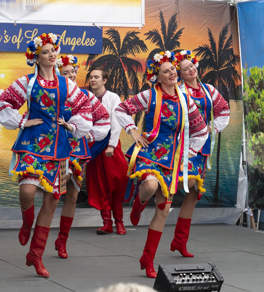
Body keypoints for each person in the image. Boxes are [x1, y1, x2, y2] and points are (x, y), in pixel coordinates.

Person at [0, 33, 92, 277]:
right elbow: (3, 102)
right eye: (46, 51)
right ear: (36, 57)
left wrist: (72, 125)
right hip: (32, 144)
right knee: (27, 191)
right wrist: (22, 121)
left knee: (52, 200)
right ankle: (27, 222)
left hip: (59, 147)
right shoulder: (26, 82)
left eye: (53, 51)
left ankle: (36, 255)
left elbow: (84, 108)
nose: (52, 54)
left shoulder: (67, 84)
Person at [114, 51, 208, 278]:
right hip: (150, 153)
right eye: (167, 71)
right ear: (157, 76)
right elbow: (120, 109)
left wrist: (189, 154)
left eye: (173, 69)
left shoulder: (186, 100)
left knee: (164, 210)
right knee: (149, 186)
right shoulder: (149, 96)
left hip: (173, 160)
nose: (173, 73)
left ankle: (148, 259)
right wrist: (132, 130)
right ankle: (138, 203)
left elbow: (201, 130)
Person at [171, 50, 230, 257]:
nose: (191, 69)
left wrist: (211, 128)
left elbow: (223, 110)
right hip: (181, 146)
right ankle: (145, 194)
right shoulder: (178, 91)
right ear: (180, 73)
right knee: (175, 184)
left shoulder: (209, 90)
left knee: (194, 194)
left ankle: (180, 241)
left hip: (203, 147)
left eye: (192, 65)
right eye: (185, 68)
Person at [54, 54, 110, 258]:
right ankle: (39, 234)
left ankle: (62, 240)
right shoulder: (52, 93)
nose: (70, 76)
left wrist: (89, 135)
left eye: (73, 72)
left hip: (77, 150)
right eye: (65, 73)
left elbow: (103, 118)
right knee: (55, 191)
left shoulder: (85, 96)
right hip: (55, 150)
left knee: (73, 195)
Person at [86, 67, 129, 235]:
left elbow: (117, 122)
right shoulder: (87, 99)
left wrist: (111, 145)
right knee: (99, 183)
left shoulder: (112, 97)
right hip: (94, 145)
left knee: (116, 181)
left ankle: (119, 221)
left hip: (111, 144)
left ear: (104, 80)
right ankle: (106, 222)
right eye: (91, 77)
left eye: (96, 77)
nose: (93, 80)